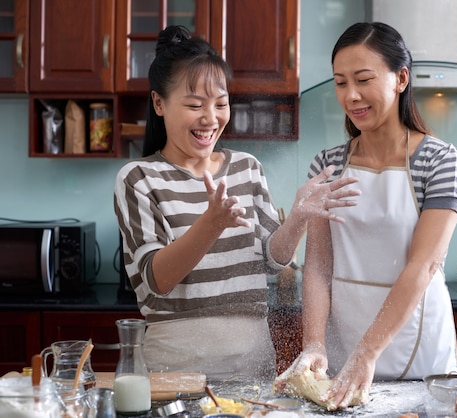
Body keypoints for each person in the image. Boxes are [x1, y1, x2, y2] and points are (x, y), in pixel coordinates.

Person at [113, 25, 360, 381]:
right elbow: (157, 280)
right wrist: (210, 224)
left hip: (252, 363)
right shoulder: (139, 177)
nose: (210, 118)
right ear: (159, 103)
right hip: (175, 368)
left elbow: (273, 261)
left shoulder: (247, 168)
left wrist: (298, 219)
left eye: (220, 103)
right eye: (195, 105)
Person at [275, 22, 457, 409]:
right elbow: (317, 267)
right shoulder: (327, 165)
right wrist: (314, 343)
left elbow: (423, 266)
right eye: (341, 82)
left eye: (363, 79)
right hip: (343, 353)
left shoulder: (440, 161)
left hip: (420, 361)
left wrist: (368, 352)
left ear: (401, 79)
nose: (352, 95)